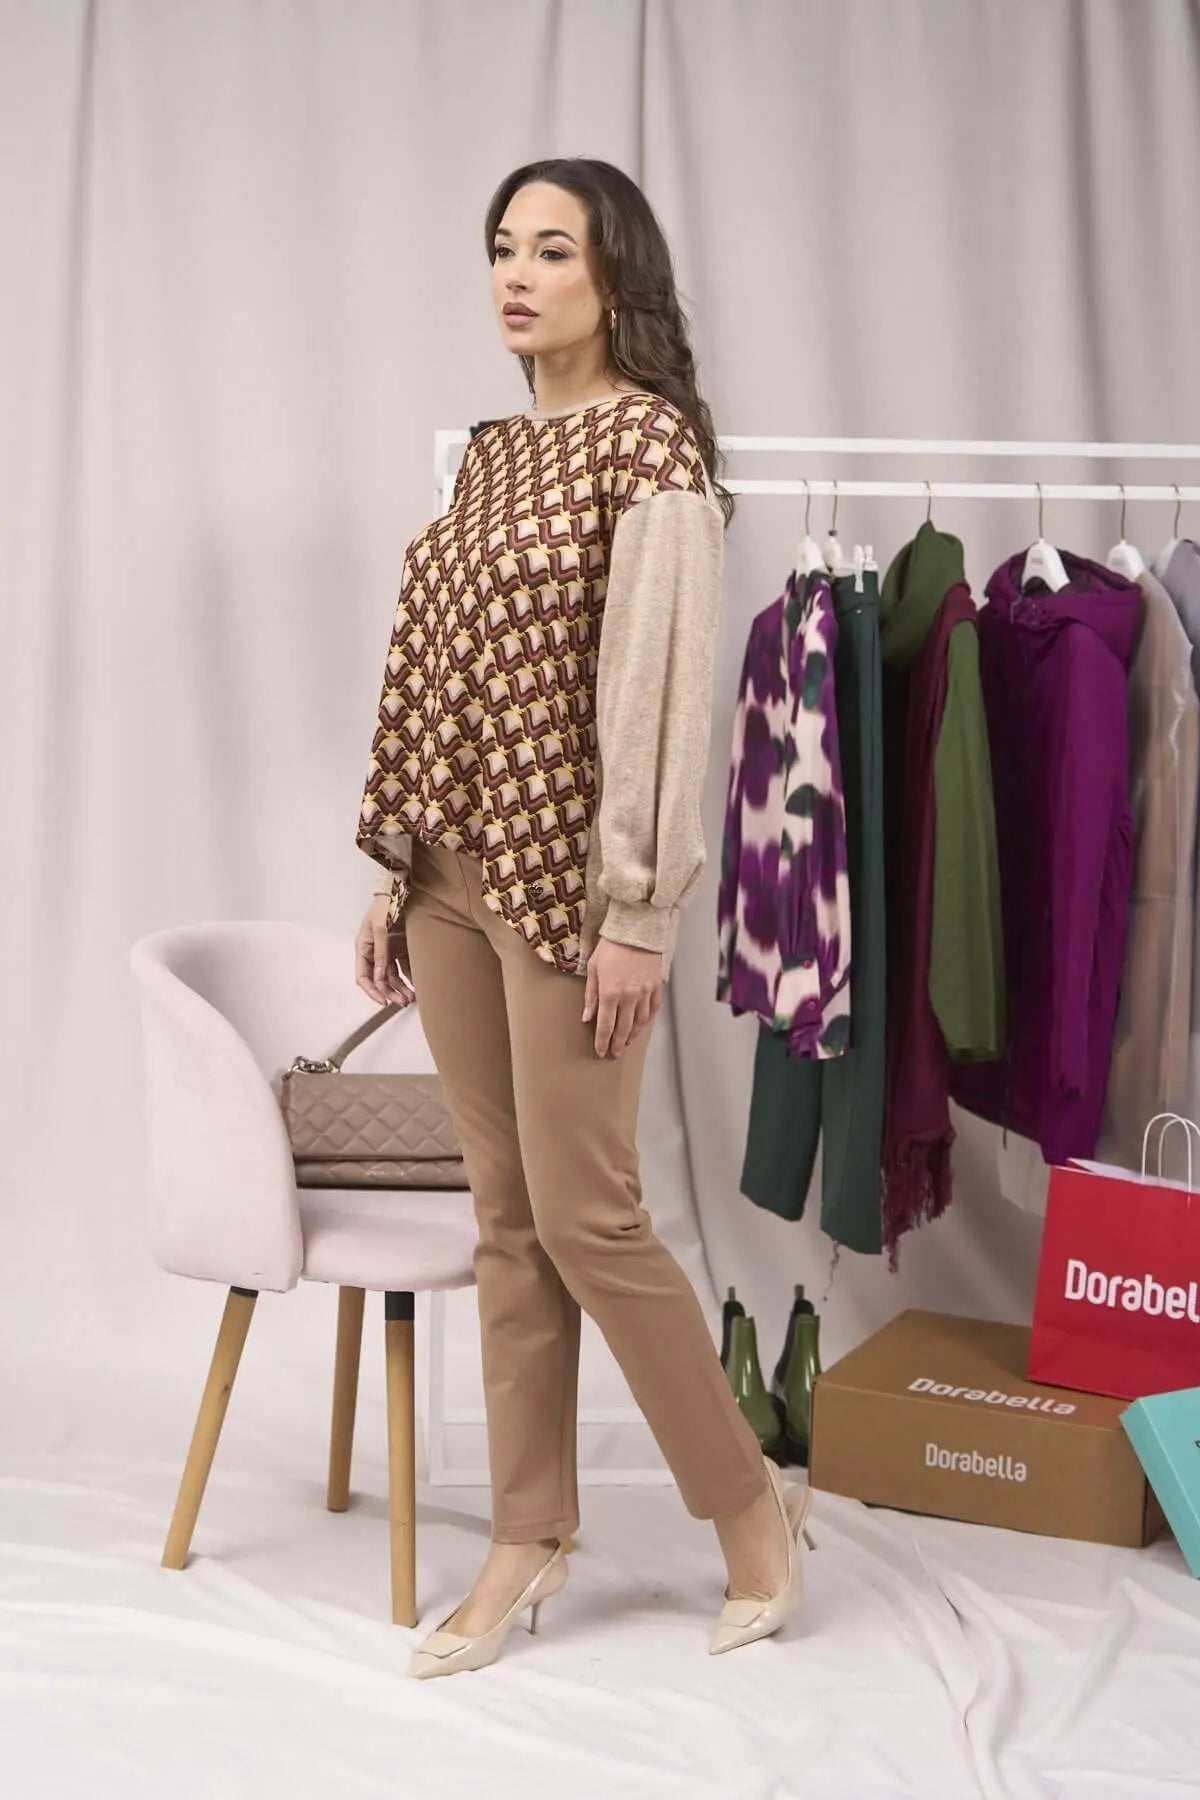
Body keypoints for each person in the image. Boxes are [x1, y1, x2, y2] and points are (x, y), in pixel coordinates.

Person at [352, 158, 814, 1679]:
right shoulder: (490, 457)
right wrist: (396, 867)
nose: (518, 274)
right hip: (451, 877)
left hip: (570, 893)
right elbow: (439, 667)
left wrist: (639, 914)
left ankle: (747, 1508)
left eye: (552, 249)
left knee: (587, 1216)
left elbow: (665, 700)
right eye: (503, 246)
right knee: (505, 1219)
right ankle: (527, 1534)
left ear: (616, 278)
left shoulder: (650, 451)